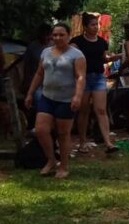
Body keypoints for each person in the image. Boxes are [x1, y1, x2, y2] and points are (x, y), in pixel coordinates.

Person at [23, 23, 85, 179]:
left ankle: (64, 166)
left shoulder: (76, 55)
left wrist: (77, 96)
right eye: (55, 35)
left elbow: (80, 77)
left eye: (61, 35)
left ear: (68, 36)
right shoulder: (45, 52)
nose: (57, 38)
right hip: (47, 97)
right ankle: (51, 160)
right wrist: (30, 93)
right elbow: (39, 74)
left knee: (63, 134)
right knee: (41, 130)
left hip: (65, 99)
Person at [72, 13, 117, 155]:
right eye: (92, 25)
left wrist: (115, 57)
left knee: (101, 110)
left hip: (98, 77)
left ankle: (108, 142)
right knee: (84, 110)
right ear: (85, 27)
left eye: (96, 24)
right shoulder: (76, 42)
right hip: (83, 78)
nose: (95, 27)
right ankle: (82, 141)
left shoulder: (102, 42)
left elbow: (103, 59)